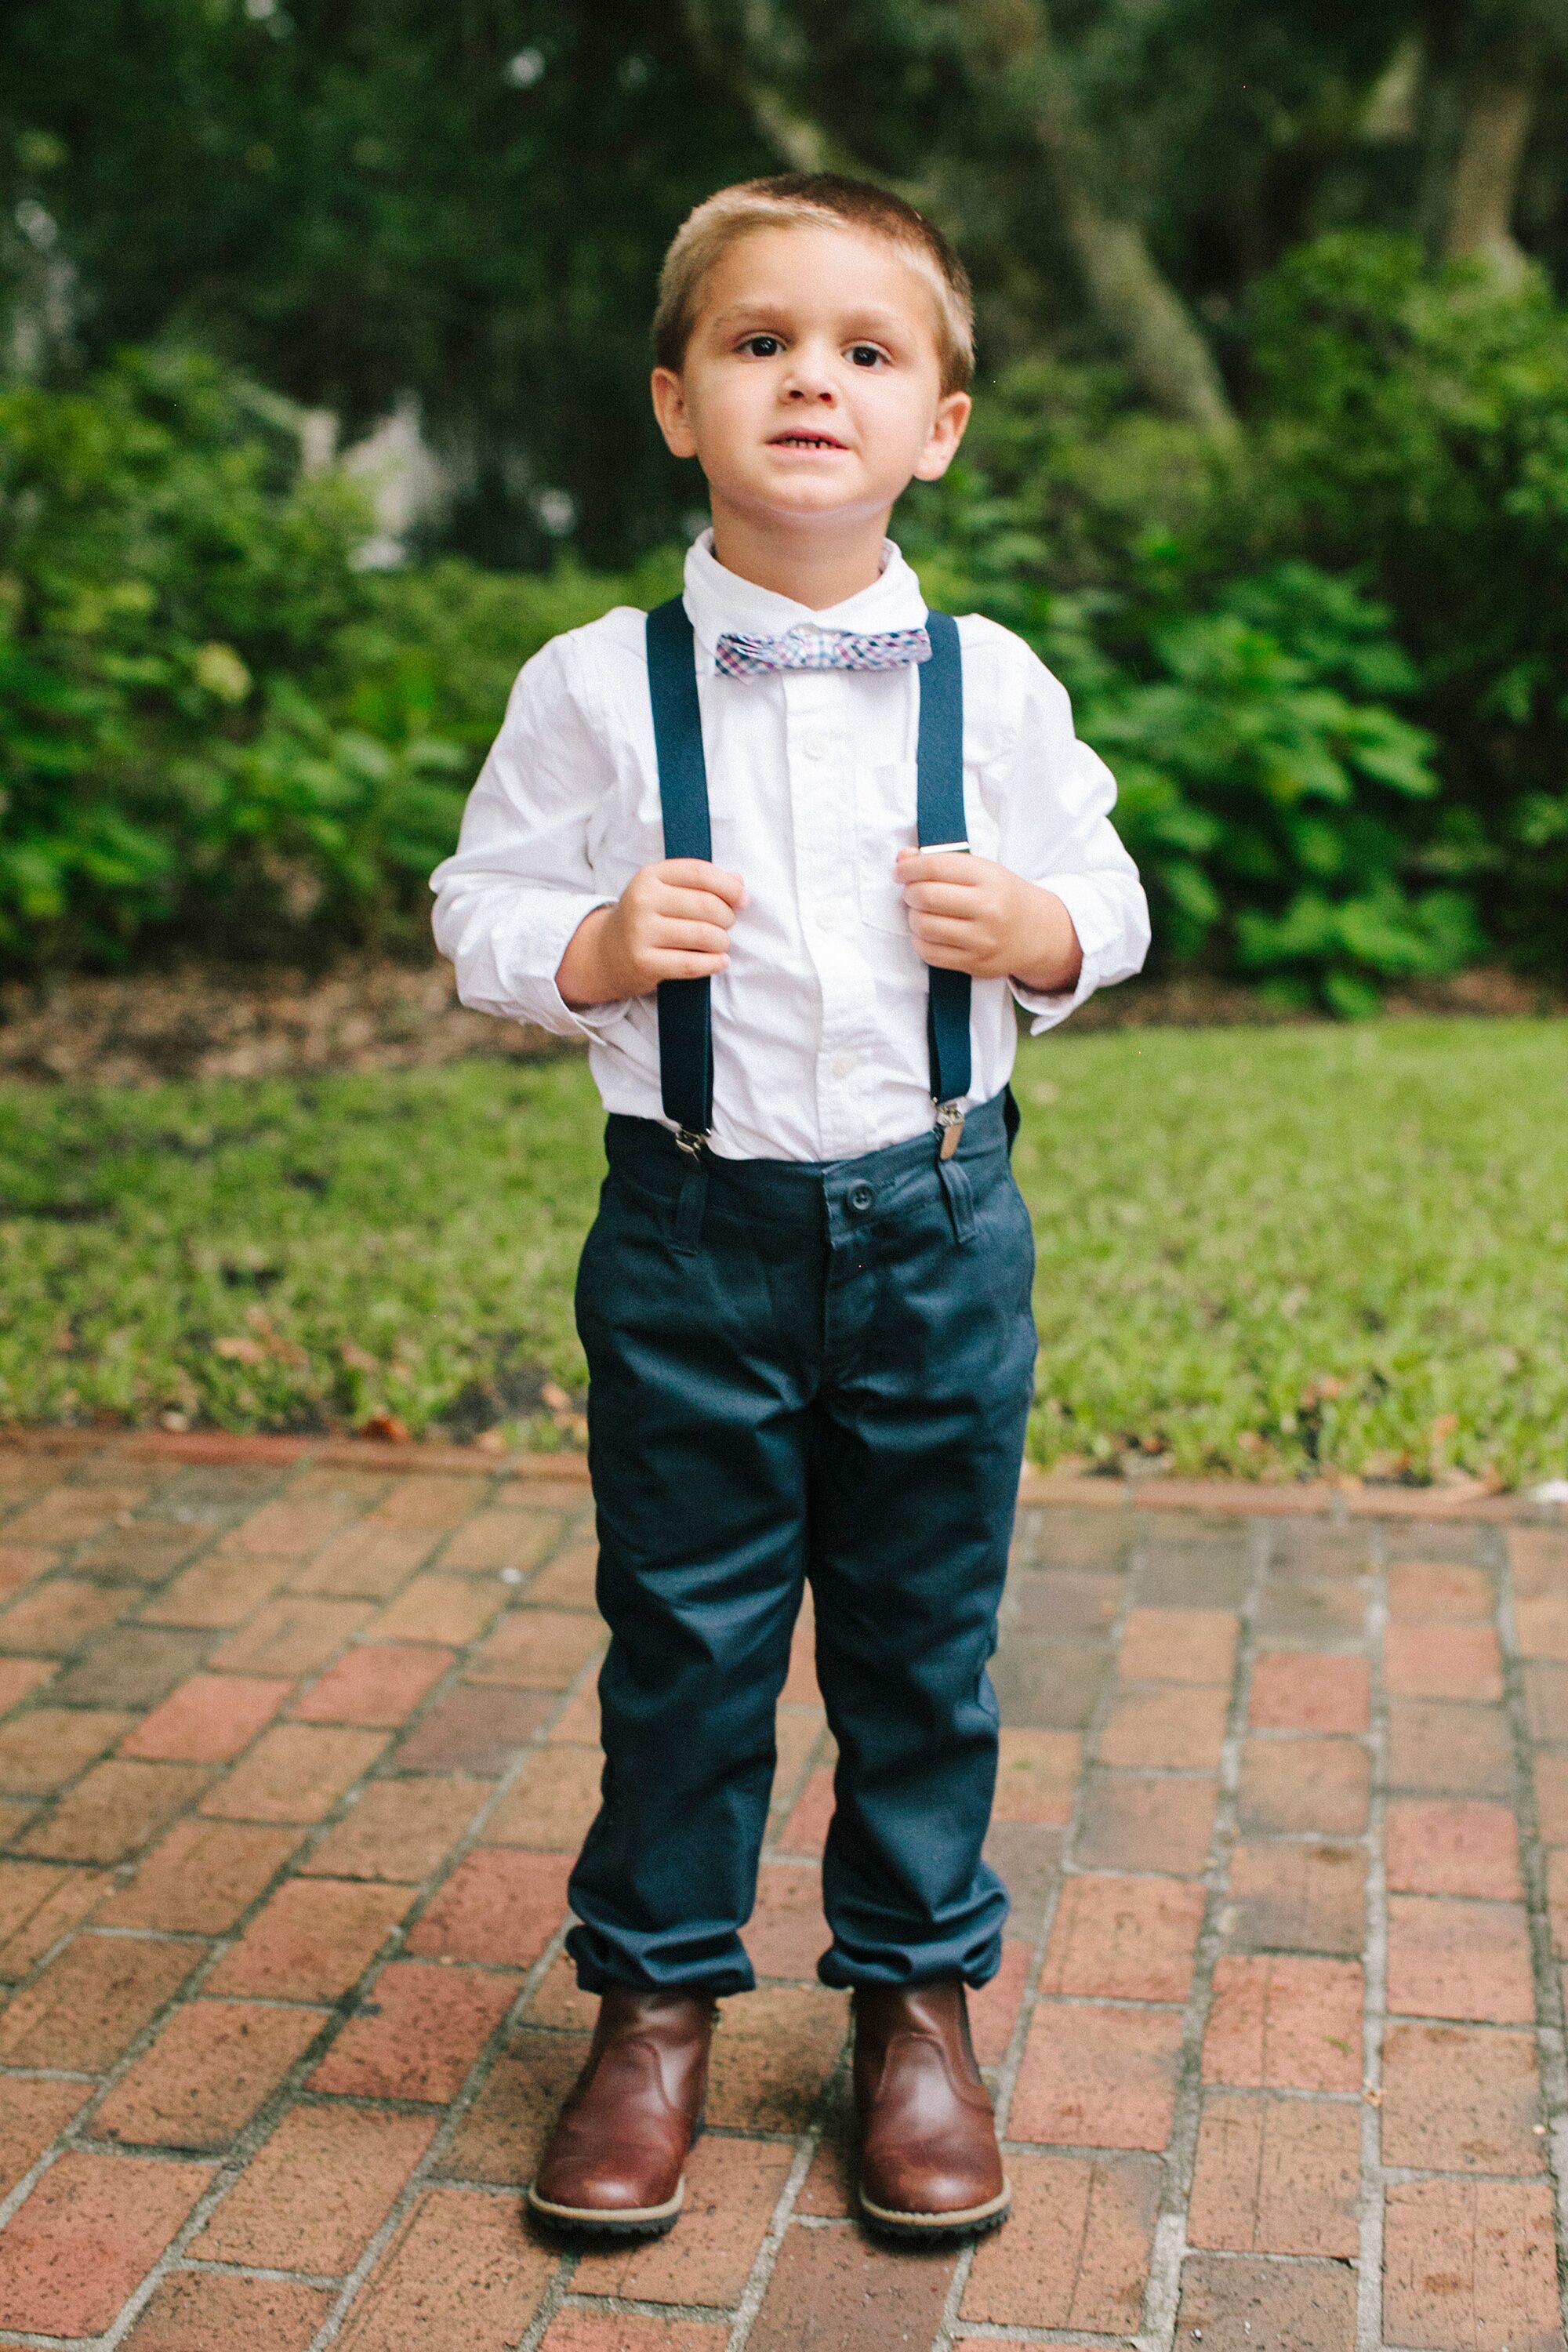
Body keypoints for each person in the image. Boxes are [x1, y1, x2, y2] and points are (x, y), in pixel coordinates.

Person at [430, 172, 1149, 2243]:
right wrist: (579, 944)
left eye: (866, 349)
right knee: (686, 1640)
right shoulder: (591, 685)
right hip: (688, 1238)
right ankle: (652, 2008)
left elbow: (1111, 894)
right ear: (678, 402)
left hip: (935, 1227)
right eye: (761, 343)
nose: (810, 379)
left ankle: (914, 2003)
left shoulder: (993, 687)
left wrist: (1038, 927)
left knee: (922, 1643)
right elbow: (476, 901)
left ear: (939, 422)